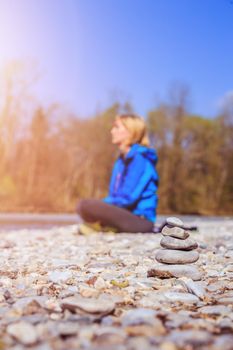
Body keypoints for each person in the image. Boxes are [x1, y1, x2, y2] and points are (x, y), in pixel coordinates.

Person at [77, 113, 159, 233]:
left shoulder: (140, 159)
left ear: (131, 131)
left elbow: (128, 198)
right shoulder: (121, 161)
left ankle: (104, 226)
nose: (112, 131)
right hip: (126, 214)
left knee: (86, 205)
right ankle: (106, 226)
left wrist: (102, 204)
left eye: (117, 127)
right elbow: (116, 196)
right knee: (83, 206)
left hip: (141, 220)